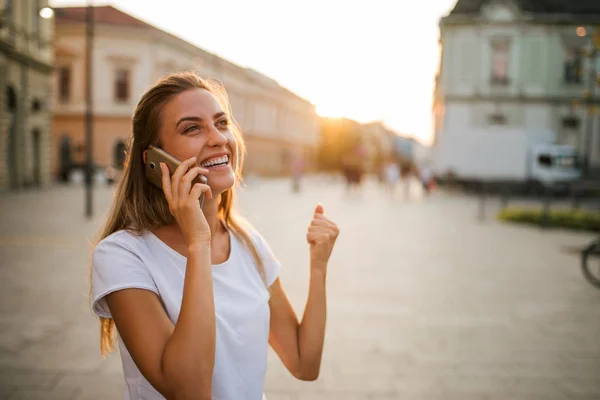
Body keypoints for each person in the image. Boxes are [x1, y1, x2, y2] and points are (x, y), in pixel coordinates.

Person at [90, 72, 340, 400]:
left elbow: (304, 364)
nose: (218, 138)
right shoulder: (122, 255)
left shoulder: (248, 244)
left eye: (221, 123)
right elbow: (189, 390)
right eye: (192, 128)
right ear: (153, 160)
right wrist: (198, 242)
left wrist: (319, 268)